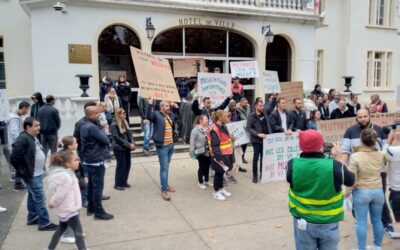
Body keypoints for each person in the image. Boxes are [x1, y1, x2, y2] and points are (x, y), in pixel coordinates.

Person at [287, 130, 355, 250]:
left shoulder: (292, 164)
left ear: (300, 147)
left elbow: (290, 179)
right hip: (329, 222)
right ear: (321, 146)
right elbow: (351, 181)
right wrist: (339, 160)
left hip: (303, 221)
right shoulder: (335, 166)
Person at [340, 109, 396, 238]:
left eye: (365, 116)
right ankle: (358, 220)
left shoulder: (380, 130)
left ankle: (387, 224)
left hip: (377, 172)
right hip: (357, 171)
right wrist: (342, 167)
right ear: (356, 118)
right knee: (356, 198)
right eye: (360, 117)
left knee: (380, 199)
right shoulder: (350, 131)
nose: (363, 119)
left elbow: (386, 149)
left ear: (370, 116)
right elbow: (345, 151)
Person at [10, 117, 58, 231]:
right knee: (40, 198)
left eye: (39, 125)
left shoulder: (32, 137)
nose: (39, 128)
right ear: (28, 127)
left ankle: (32, 217)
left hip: (37, 173)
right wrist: (22, 170)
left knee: (33, 196)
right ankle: (44, 223)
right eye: (36, 126)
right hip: (31, 175)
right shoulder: (22, 139)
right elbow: (14, 158)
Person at [344, 128, 388, 250]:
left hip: (362, 191)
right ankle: (377, 246)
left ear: (361, 140)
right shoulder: (381, 155)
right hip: (378, 190)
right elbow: (385, 166)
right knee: (377, 220)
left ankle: (361, 248)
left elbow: (352, 179)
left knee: (361, 222)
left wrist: (346, 193)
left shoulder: (355, 156)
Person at [47, 150, 87, 250]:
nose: (78, 161)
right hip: (69, 209)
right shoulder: (66, 177)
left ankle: (50, 248)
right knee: (78, 232)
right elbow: (60, 194)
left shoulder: (66, 174)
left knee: (61, 228)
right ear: (68, 164)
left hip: (65, 208)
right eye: (75, 160)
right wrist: (52, 203)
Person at [80, 106, 113, 220]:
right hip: (95, 160)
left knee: (91, 186)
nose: (98, 115)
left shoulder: (84, 124)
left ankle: (91, 208)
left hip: (89, 159)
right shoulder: (92, 127)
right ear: (89, 114)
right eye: (96, 114)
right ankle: (99, 212)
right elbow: (106, 140)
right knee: (97, 187)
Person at [146, 97, 177, 201]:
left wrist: (175, 107)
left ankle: (166, 185)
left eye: (169, 106)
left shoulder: (170, 114)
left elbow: (178, 118)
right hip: (162, 146)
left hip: (170, 145)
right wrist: (149, 104)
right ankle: (164, 190)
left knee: (166, 167)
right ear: (161, 107)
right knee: (164, 168)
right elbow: (148, 116)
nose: (168, 107)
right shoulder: (156, 114)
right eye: (167, 106)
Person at [58, 136, 87, 244]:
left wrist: (84, 176)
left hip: (76, 184)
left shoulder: (73, 153)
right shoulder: (64, 156)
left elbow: (79, 167)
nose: (77, 143)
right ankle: (66, 235)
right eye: (75, 142)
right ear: (70, 145)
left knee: (75, 210)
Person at [208, 110, 234, 201]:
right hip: (219, 156)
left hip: (226, 154)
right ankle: (215, 192)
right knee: (218, 173)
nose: (228, 118)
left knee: (222, 173)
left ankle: (221, 189)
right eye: (226, 116)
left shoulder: (224, 126)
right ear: (220, 117)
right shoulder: (214, 129)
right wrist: (219, 158)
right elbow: (215, 145)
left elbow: (225, 140)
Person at [6, 101, 30, 190]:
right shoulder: (14, 118)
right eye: (27, 109)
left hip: (15, 143)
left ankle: (18, 182)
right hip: (16, 144)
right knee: (20, 163)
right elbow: (14, 132)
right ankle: (18, 183)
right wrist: (21, 142)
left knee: (19, 163)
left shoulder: (16, 117)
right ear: (24, 108)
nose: (27, 111)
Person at [246, 99, 272, 183]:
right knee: (256, 158)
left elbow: (271, 106)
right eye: (260, 106)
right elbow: (248, 128)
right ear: (256, 106)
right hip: (257, 140)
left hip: (266, 140)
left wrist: (274, 98)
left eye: (263, 105)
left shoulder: (265, 112)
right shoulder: (252, 115)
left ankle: (262, 173)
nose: (262, 107)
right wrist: (258, 134)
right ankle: (255, 175)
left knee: (263, 158)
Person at [110, 108, 135, 191]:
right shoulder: (114, 124)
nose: (125, 114)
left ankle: (124, 181)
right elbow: (116, 138)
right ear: (119, 114)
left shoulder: (125, 122)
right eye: (123, 113)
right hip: (119, 148)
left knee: (127, 165)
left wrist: (132, 143)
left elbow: (130, 134)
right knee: (121, 166)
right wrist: (128, 144)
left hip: (126, 147)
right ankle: (118, 184)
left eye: (125, 112)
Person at [189, 115, 212, 190]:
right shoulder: (195, 130)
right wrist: (192, 153)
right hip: (200, 152)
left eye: (207, 119)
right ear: (200, 121)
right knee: (202, 167)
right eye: (205, 119)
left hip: (209, 151)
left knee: (207, 166)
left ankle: (206, 180)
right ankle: (200, 182)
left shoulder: (209, 128)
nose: (207, 120)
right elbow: (192, 142)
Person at [383, 126, 400, 224]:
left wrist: (389, 140)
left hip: (396, 191)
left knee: (398, 218)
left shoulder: (392, 151)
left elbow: (381, 158)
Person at [237, 97, 251, 164]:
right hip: (240, 129)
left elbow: (249, 116)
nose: (246, 104)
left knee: (245, 145)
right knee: (240, 145)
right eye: (245, 103)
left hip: (246, 129)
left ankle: (243, 157)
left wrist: (248, 108)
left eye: (247, 103)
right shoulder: (238, 109)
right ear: (241, 103)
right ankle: (240, 157)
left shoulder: (248, 108)